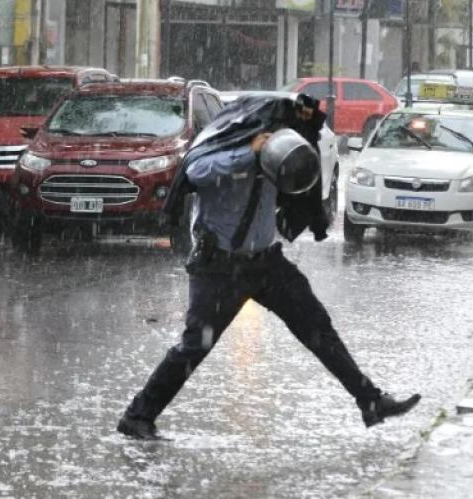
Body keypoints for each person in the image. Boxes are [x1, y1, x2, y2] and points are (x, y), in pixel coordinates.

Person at [116, 96, 421, 440]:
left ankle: (371, 401)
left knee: (317, 328)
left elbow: (305, 160)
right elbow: (197, 171)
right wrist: (249, 154)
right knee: (194, 347)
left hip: (266, 263)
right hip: (218, 265)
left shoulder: (281, 152)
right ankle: (138, 416)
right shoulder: (222, 147)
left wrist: (306, 122)